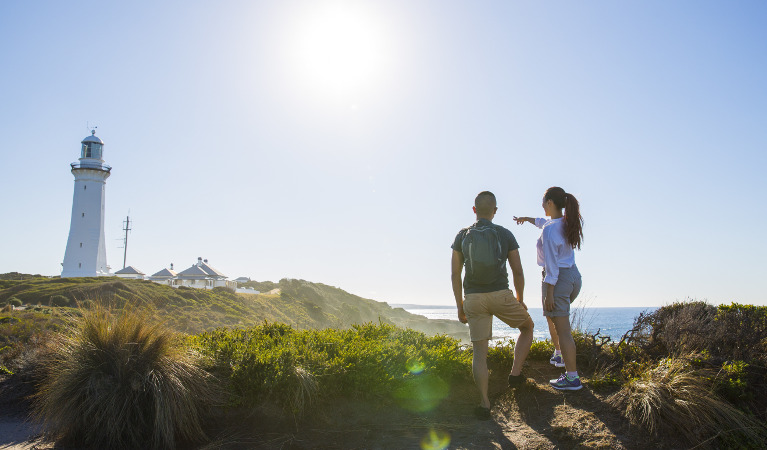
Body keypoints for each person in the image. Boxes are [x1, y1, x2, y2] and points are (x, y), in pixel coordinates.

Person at [451, 191, 535, 420]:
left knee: (479, 354)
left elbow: (455, 274)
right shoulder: (504, 233)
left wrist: (460, 305)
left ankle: (484, 403)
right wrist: (520, 298)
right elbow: (518, 271)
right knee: (527, 327)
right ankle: (515, 374)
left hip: (473, 298)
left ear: (474, 210)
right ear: (495, 210)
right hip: (501, 294)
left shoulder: (462, 235)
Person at [514, 186, 584, 391]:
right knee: (554, 317)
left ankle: (572, 378)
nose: (542, 205)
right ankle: (560, 355)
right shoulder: (563, 222)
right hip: (572, 276)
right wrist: (526, 219)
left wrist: (550, 291)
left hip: (557, 278)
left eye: (543, 202)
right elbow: (542, 222)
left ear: (550, 203)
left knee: (563, 331)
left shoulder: (551, 229)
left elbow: (552, 264)